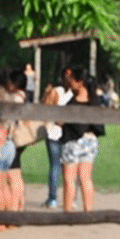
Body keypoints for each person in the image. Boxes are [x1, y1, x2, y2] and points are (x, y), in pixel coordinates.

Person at [59, 68, 103, 212]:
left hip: (73, 141)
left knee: (69, 178)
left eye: (72, 81)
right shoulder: (94, 101)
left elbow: (61, 120)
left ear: (80, 82)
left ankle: (67, 211)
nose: (70, 83)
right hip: (90, 140)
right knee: (86, 178)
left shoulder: (73, 102)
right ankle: (88, 211)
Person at [0, 70, 30, 222]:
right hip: (11, 141)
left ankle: (3, 218)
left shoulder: (8, 98)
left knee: (0, 185)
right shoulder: (18, 97)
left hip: (3, 140)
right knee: (9, 181)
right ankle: (13, 213)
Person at [41, 68, 73, 208]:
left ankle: (53, 198)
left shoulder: (56, 91)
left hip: (53, 131)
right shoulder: (74, 93)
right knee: (70, 167)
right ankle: (71, 198)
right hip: (69, 133)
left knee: (54, 166)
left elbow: (45, 108)